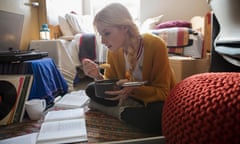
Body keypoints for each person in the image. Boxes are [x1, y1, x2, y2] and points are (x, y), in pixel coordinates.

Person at [82, 3, 176, 134]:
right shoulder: (113, 50)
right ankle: (130, 110)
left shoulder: (155, 45)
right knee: (91, 88)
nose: (103, 41)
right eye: (101, 35)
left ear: (124, 27)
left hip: (153, 98)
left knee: (158, 119)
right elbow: (111, 84)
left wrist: (134, 89)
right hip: (129, 96)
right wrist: (97, 75)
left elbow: (163, 92)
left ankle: (114, 110)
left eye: (107, 33)